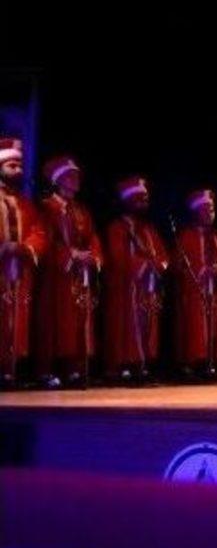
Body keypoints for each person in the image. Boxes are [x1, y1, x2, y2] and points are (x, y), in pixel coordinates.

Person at [34, 155, 102, 389]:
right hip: (56, 276)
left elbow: (93, 238)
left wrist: (93, 256)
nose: (76, 180)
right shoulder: (46, 207)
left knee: (76, 323)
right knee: (53, 322)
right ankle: (46, 370)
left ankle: (73, 369)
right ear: (58, 180)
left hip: (78, 275)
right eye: (71, 176)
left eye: (77, 176)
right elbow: (45, 239)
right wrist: (70, 255)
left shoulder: (81, 210)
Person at [103, 176, 169, 384]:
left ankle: (143, 365)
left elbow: (163, 256)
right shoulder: (117, 228)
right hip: (126, 288)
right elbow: (118, 256)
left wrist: (159, 265)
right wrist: (144, 265)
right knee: (125, 328)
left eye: (145, 198)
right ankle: (124, 368)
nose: (144, 202)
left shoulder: (149, 229)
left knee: (147, 327)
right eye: (139, 198)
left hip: (148, 289)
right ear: (127, 200)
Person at [174, 189, 217, 380]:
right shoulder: (186, 236)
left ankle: (212, 364)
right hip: (195, 290)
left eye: (212, 209)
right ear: (196, 212)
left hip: (216, 289)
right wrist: (201, 271)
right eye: (205, 209)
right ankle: (194, 364)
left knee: (216, 325)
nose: (210, 213)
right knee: (195, 327)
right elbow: (178, 264)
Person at [0, 138, 46, 389]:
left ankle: (11, 372)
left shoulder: (26, 204)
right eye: (12, 166)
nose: (18, 170)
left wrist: (25, 247)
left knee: (17, 319)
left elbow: (39, 232)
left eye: (19, 166)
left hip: (18, 271)